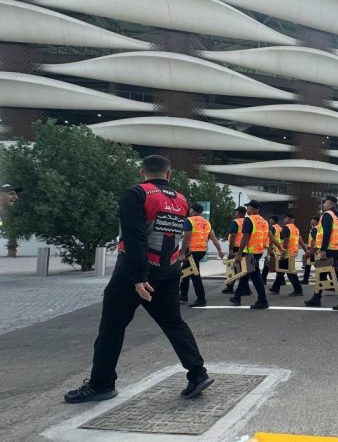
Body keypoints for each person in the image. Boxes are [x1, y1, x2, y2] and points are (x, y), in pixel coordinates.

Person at [64, 155, 212, 404]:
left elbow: (134, 238)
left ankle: (101, 384)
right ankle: (198, 373)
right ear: (169, 174)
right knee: (174, 323)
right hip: (168, 270)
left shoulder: (136, 194)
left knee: (111, 327)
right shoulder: (180, 200)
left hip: (134, 273)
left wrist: (138, 277)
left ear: (142, 172)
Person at [179, 203, 224, 307]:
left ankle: (201, 299)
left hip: (191, 252)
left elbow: (186, 238)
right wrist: (220, 250)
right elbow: (213, 238)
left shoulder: (189, 220)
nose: (189, 211)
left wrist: (182, 254)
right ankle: (183, 296)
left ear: (193, 211)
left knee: (195, 275)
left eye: (190, 210)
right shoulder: (206, 222)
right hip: (201, 251)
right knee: (185, 272)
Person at [229, 200, 270, 309]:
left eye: (248, 207)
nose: (247, 209)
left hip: (249, 253)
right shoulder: (264, 221)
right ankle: (237, 297)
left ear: (252, 209)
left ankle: (263, 300)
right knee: (245, 273)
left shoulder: (249, 219)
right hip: (258, 251)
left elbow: (245, 237)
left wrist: (238, 253)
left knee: (255, 276)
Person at [270, 213, 308, 296]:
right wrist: (305, 250)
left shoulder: (286, 227)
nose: (284, 220)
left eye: (285, 219)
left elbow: (286, 241)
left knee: (290, 273)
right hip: (293, 253)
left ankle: (298, 290)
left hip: (286, 253)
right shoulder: (296, 229)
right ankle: (275, 288)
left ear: (288, 219)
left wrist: (283, 253)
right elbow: (300, 240)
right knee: (281, 271)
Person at [222, 207, 249, 295]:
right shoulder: (247, 221)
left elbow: (233, 235)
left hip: (236, 247)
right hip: (246, 247)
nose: (235, 213)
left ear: (239, 213)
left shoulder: (236, 222)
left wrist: (230, 250)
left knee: (232, 268)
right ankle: (245, 289)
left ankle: (230, 288)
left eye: (236, 212)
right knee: (244, 269)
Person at [264, 215, 284, 288]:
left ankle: (263, 279)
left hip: (272, 247)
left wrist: (269, 248)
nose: (270, 221)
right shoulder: (280, 228)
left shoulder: (272, 227)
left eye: (270, 219)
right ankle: (282, 280)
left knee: (266, 263)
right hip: (278, 248)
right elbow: (282, 239)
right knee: (278, 264)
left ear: (273, 220)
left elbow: (271, 238)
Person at [301, 216, 319, 285]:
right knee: (309, 264)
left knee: (317, 265)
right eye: (311, 220)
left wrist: (311, 251)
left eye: (313, 220)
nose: (311, 221)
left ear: (317, 222)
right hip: (315, 249)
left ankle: (306, 280)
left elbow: (313, 240)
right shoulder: (316, 228)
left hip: (314, 250)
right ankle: (305, 280)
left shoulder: (315, 229)